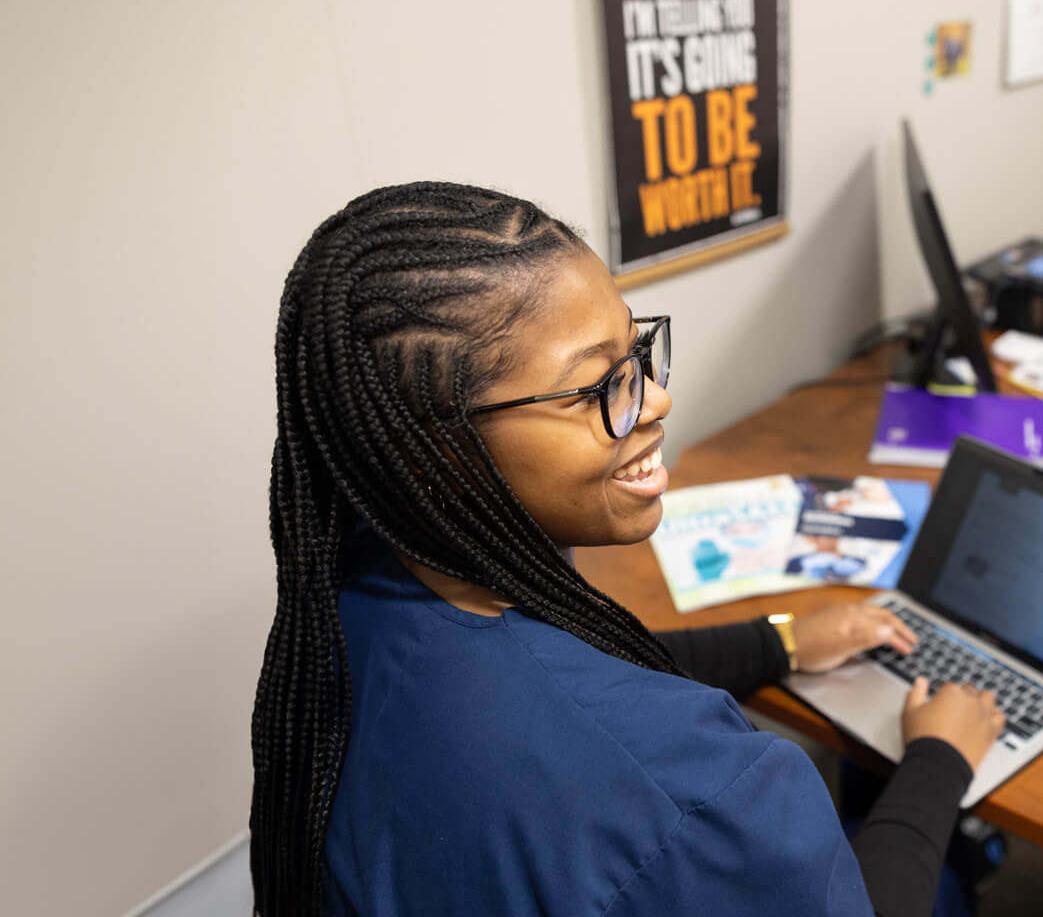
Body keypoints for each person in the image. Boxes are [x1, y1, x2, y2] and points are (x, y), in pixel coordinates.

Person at [249, 182, 1004, 916]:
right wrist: (939, 761)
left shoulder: (353, 602)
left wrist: (779, 642)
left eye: (637, 355)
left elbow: (580, 675)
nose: (656, 399)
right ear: (436, 451)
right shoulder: (693, 800)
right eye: (595, 388)